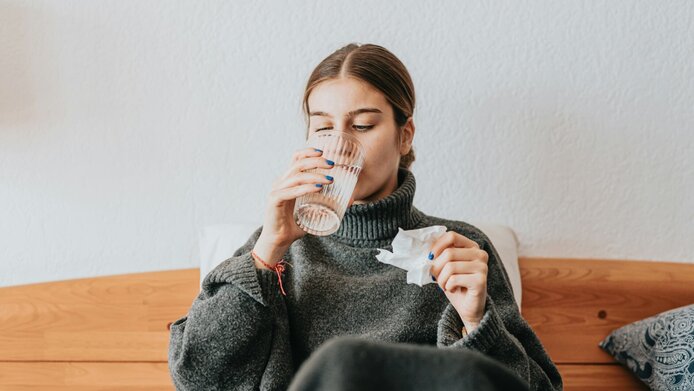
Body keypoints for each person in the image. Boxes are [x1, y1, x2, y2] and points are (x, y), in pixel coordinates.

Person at [168, 43, 563, 391]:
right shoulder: (275, 248)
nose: (340, 146)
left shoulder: (457, 249)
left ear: (404, 135)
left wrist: (476, 322)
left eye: (362, 125)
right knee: (342, 363)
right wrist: (266, 253)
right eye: (323, 127)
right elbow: (197, 376)